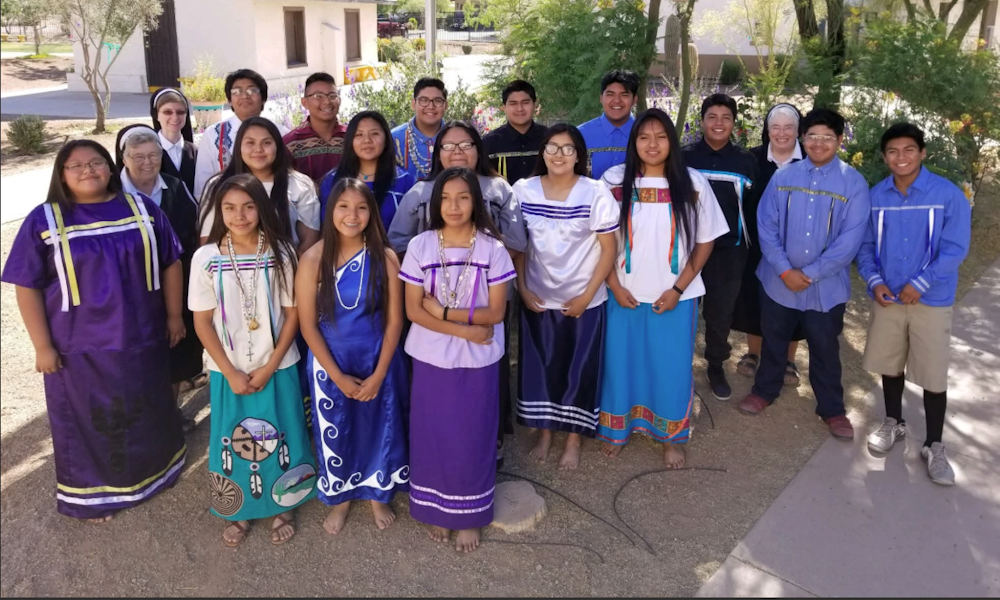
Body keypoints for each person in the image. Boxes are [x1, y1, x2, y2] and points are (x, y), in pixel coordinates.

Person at [1, 140, 187, 521]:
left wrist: (173, 316)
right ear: (61, 174)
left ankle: (156, 474)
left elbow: (170, 261)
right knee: (90, 421)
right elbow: (28, 285)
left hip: (142, 337)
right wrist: (42, 346)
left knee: (147, 409)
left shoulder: (141, 208)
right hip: (79, 348)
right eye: (76, 165)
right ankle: (97, 496)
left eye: (96, 162)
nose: (88, 170)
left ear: (110, 166)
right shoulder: (45, 219)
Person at [388, 121, 527, 465]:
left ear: (479, 150)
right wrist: (426, 274)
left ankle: (489, 439)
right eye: (448, 146)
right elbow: (397, 243)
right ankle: (435, 448)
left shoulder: (498, 187)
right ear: (437, 153)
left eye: (466, 144)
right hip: (429, 296)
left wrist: (481, 269)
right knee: (437, 380)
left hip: (485, 295)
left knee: (488, 372)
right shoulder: (421, 191)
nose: (457, 151)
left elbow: (517, 241)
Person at [189, 174, 317, 547]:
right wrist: (229, 371)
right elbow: (201, 321)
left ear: (262, 208)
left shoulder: (281, 253)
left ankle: (285, 503)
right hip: (228, 371)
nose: (239, 215)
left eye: (248, 206)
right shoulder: (206, 258)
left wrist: (271, 363)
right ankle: (239, 509)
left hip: (278, 365)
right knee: (232, 436)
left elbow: (292, 314)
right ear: (218, 211)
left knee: (285, 430)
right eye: (229, 208)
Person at [599, 109, 728, 467]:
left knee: (670, 366)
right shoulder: (613, 180)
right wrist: (612, 283)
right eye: (644, 137)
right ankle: (617, 429)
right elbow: (601, 239)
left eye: (660, 137)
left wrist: (678, 288)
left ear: (672, 141)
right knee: (620, 364)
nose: (652, 144)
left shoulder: (692, 183)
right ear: (633, 142)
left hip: (674, 295)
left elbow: (705, 242)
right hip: (621, 293)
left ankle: (671, 436)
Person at [398, 167, 516, 553]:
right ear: (435, 203)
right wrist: (464, 328)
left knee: (473, 434)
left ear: (476, 202)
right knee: (434, 434)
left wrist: (445, 313)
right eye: (445, 198)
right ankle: (437, 509)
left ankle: (470, 516)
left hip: (478, 362)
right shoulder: (420, 247)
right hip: (432, 358)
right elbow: (414, 311)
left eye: (463, 197)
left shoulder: (492, 249)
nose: (454, 205)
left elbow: (495, 313)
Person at [738, 108, 871, 441]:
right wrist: (784, 270)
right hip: (777, 282)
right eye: (812, 136)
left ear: (840, 141)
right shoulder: (785, 177)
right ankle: (764, 391)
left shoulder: (853, 183)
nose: (819, 143)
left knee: (825, 347)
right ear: (802, 138)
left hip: (825, 288)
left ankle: (832, 409)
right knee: (773, 339)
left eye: (827, 137)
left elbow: (849, 240)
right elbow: (765, 225)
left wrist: (808, 274)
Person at [857, 123, 971, 486]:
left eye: (909, 150)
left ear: (922, 153)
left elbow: (955, 248)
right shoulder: (876, 196)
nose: (900, 157)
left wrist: (920, 284)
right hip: (888, 298)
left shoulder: (947, 194)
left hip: (932, 299)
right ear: (884, 156)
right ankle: (894, 422)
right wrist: (874, 282)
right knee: (891, 364)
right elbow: (864, 247)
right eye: (892, 151)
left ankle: (935, 445)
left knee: (933, 373)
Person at [298, 178, 410, 532]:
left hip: (381, 357)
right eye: (343, 206)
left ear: (372, 212)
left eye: (361, 207)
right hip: (331, 361)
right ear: (331, 210)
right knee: (338, 428)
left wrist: (378, 374)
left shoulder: (385, 256)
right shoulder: (313, 258)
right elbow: (308, 326)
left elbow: (396, 321)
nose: (352, 214)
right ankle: (341, 497)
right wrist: (337, 375)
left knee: (381, 425)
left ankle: (379, 494)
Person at [512, 124, 618, 470]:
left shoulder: (594, 192)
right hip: (538, 296)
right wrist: (522, 289)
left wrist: (588, 296)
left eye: (567, 148)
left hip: (583, 298)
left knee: (578, 368)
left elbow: (608, 250)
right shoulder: (522, 190)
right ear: (542, 152)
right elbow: (518, 246)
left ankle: (572, 438)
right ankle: (545, 432)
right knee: (542, 366)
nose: (559, 155)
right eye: (552, 147)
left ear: (579, 155)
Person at [115, 125, 205, 430]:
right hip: (124, 291)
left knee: (175, 348)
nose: (147, 162)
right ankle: (136, 417)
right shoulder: (110, 192)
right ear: (124, 158)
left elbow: (193, 235)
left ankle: (169, 413)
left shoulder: (175, 188)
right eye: (138, 156)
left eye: (153, 155)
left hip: (173, 282)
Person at [682, 94, 758, 401]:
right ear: (701, 121)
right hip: (687, 251)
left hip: (729, 254)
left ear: (733, 123)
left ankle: (715, 366)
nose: (718, 123)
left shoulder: (746, 161)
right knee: (684, 311)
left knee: (719, 315)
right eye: (712, 116)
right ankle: (678, 368)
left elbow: (752, 210)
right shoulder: (683, 158)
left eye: (726, 117)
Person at [734, 103, 806, 385]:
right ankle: (753, 353)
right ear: (767, 130)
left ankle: (789, 360)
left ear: (798, 131)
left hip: (797, 249)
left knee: (795, 301)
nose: (782, 133)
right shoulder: (752, 159)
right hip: (756, 246)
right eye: (775, 127)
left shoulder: (808, 162)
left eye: (788, 127)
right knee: (754, 299)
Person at [200, 117, 321, 254]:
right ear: (239, 146)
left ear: (278, 146)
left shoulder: (300, 185)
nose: (258, 149)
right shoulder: (217, 185)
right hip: (230, 270)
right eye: (250, 143)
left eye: (266, 143)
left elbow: (309, 243)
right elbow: (208, 242)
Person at [194, 68, 288, 198]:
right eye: (237, 91)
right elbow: (202, 188)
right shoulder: (213, 135)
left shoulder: (281, 133)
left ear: (263, 98)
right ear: (229, 100)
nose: (244, 96)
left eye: (252, 90)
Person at [318, 111, 417, 227]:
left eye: (375, 134)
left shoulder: (405, 181)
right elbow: (326, 228)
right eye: (359, 135)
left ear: (386, 140)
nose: (367, 140)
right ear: (350, 141)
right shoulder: (332, 180)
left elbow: (409, 230)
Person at [283, 72, 348, 183]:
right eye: (318, 96)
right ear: (305, 102)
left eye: (332, 96)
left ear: (339, 101)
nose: (327, 102)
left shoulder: (352, 137)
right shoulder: (290, 144)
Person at [577, 70, 638, 180]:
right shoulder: (580, 135)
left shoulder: (645, 134)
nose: (617, 101)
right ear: (601, 98)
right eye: (610, 94)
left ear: (634, 100)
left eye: (624, 95)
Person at [483, 80, 547, 184]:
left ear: (535, 105)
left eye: (525, 102)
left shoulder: (549, 139)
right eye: (513, 103)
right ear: (504, 107)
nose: (520, 109)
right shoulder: (489, 144)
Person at [391, 77, 447, 181]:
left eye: (437, 101)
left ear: (446, 105)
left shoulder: (456, 137)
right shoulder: (394, 139)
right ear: (413, 104)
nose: (431, 106)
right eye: (424, 100)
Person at [150, 87, 197, 195]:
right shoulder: (147, 152)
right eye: (167, 112)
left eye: (180, 112)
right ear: (156, 115)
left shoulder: (196, 152)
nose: (175, 117)